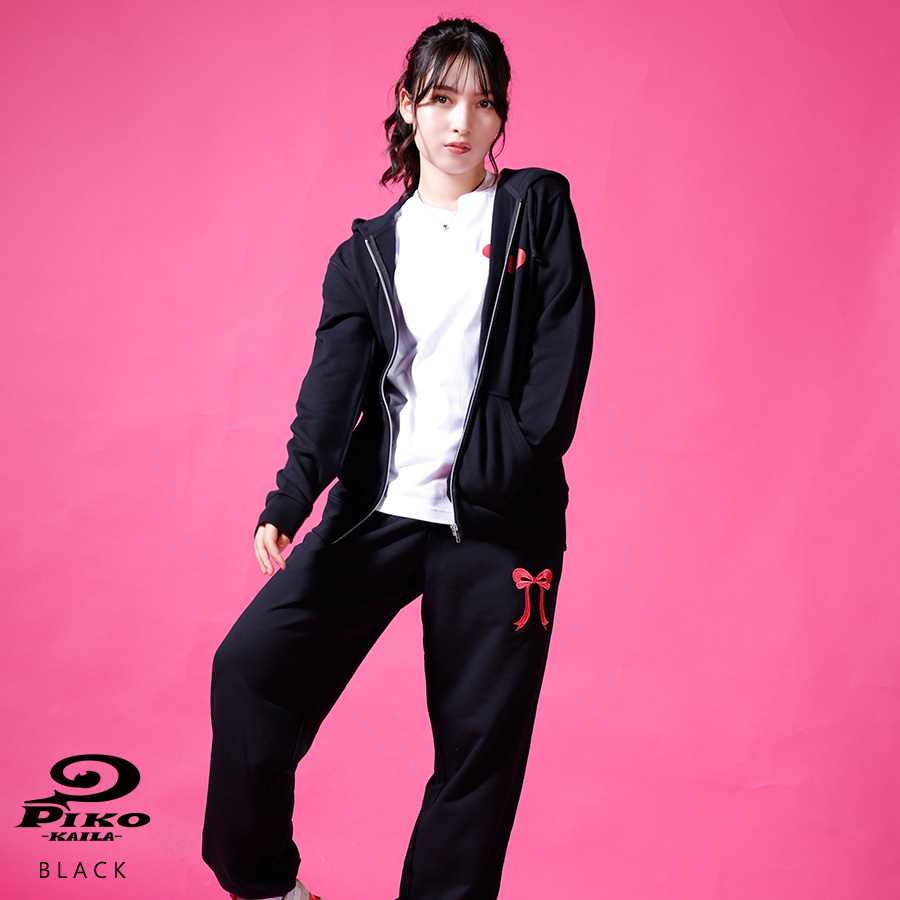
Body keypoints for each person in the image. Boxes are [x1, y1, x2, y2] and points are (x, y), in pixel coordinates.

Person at [202, 16, 594, 900]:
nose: (462, 121)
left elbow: (561, 349)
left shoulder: (536, 207)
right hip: (378, 514)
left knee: (478, 751)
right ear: (408, 105)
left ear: (500, 120)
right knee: (249, 669)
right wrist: (289, 499)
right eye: (443, 97)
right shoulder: (364, 256)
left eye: (483, 103)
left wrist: (509, 464)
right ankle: (265, 884)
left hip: (501, 529)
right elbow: (329, 392)